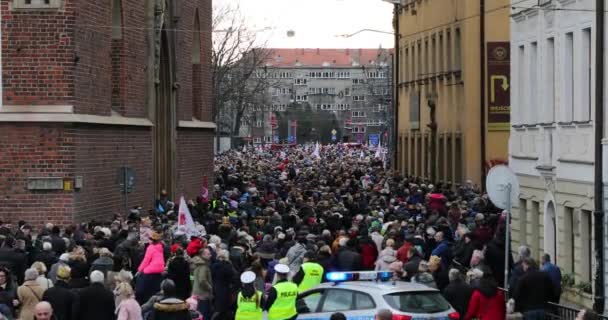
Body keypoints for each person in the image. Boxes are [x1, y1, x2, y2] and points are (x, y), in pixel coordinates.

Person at [135, 231, 165, 305]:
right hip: (160, 271)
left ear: (151, 240)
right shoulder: (160, 247)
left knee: (144, 289)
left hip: (150, 271)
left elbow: (146, 260)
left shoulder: (150, 247)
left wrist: (139, 270)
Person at [211, 249, 236, 319]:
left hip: (215, 288)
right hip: (225, 289)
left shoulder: (213, 265)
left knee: (218, 307)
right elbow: (232, 278)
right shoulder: (228, 266)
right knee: (225, 308)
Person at [191, 247, 213, 320]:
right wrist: (210, 287)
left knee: (198, 314)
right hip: (203, 295)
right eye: (208, 254)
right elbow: (202, 280)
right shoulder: (203, 266)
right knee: (203, 314)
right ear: (203, 255)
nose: (210, 255)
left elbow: (192, 278)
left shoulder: (196, 264)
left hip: (196, 293)